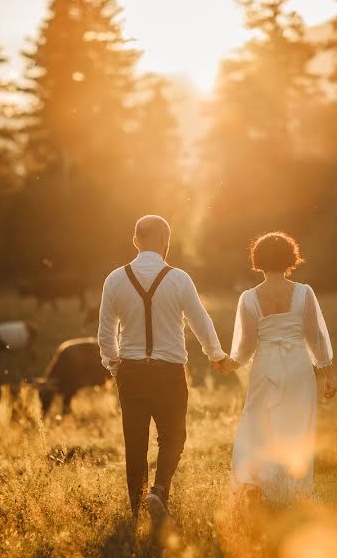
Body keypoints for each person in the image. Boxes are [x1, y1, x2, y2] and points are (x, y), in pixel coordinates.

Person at [98, 215, 228, 526]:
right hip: (169, 372)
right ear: (166, 243)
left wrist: (114, 364)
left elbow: (105, 331)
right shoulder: (179, 278)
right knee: (173, 437)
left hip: (131, 371)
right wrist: (216, 354)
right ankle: (159, 491)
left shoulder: (115, 279)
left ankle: (134, 511)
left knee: (135, 441)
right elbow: (200, 320)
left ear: (135, 241)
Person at [213, 231, 336, 505]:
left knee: (258, 424)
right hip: (299, 368)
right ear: (291, 257)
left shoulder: (249, 298)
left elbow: (246, 345)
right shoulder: (304, 293)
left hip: (265, 366)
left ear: (257, 259)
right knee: (297, 426)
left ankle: (260, 484)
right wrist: (328, 375)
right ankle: (292, 490)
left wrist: (228, 365)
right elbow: (316, 338)